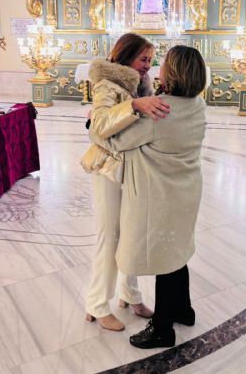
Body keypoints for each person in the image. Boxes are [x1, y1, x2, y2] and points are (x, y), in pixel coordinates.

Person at [90, 46, 207, 348]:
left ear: (175, 72)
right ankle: (183, 309)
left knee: (164, 259)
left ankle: (162, 328)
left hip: (162, 197)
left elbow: (114, 139)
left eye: (164, 63)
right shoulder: (196, 104)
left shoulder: (160, 111)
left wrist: (95, 120)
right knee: (178, 250)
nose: (157, 67)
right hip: (187, 191)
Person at [80, 33, 171, 331]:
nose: (149, 65)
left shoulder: (138, 84)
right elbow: (100, 127)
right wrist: (134, 107)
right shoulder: (108, 85)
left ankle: (130, 294)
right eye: (143, 59)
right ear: (126, 56)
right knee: (110, 237)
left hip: (132, 168)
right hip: (109, 169)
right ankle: (96, 304)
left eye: (150, 60)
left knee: (131, 232)